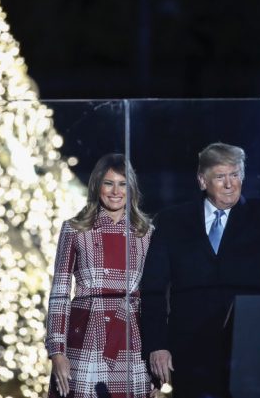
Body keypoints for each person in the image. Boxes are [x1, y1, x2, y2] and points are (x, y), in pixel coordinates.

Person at [140, 142, 260, 398]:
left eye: (235, 175)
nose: (229, 184)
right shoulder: (172, 221)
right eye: (220, 176)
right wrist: (157, 345)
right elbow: (153, 289)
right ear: (203, 181)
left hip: (250, 345)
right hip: (190, 349)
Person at [45, 153, 153, 398]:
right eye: (109, 183)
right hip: (85, 334)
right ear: (97, 186)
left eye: (123, 184)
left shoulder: (146, 233)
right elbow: (60, 293)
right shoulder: (74, 228)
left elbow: (155, 298)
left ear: (131, 188)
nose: (116, 191)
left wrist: (156, 353)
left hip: (132, 337)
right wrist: (57, 351)